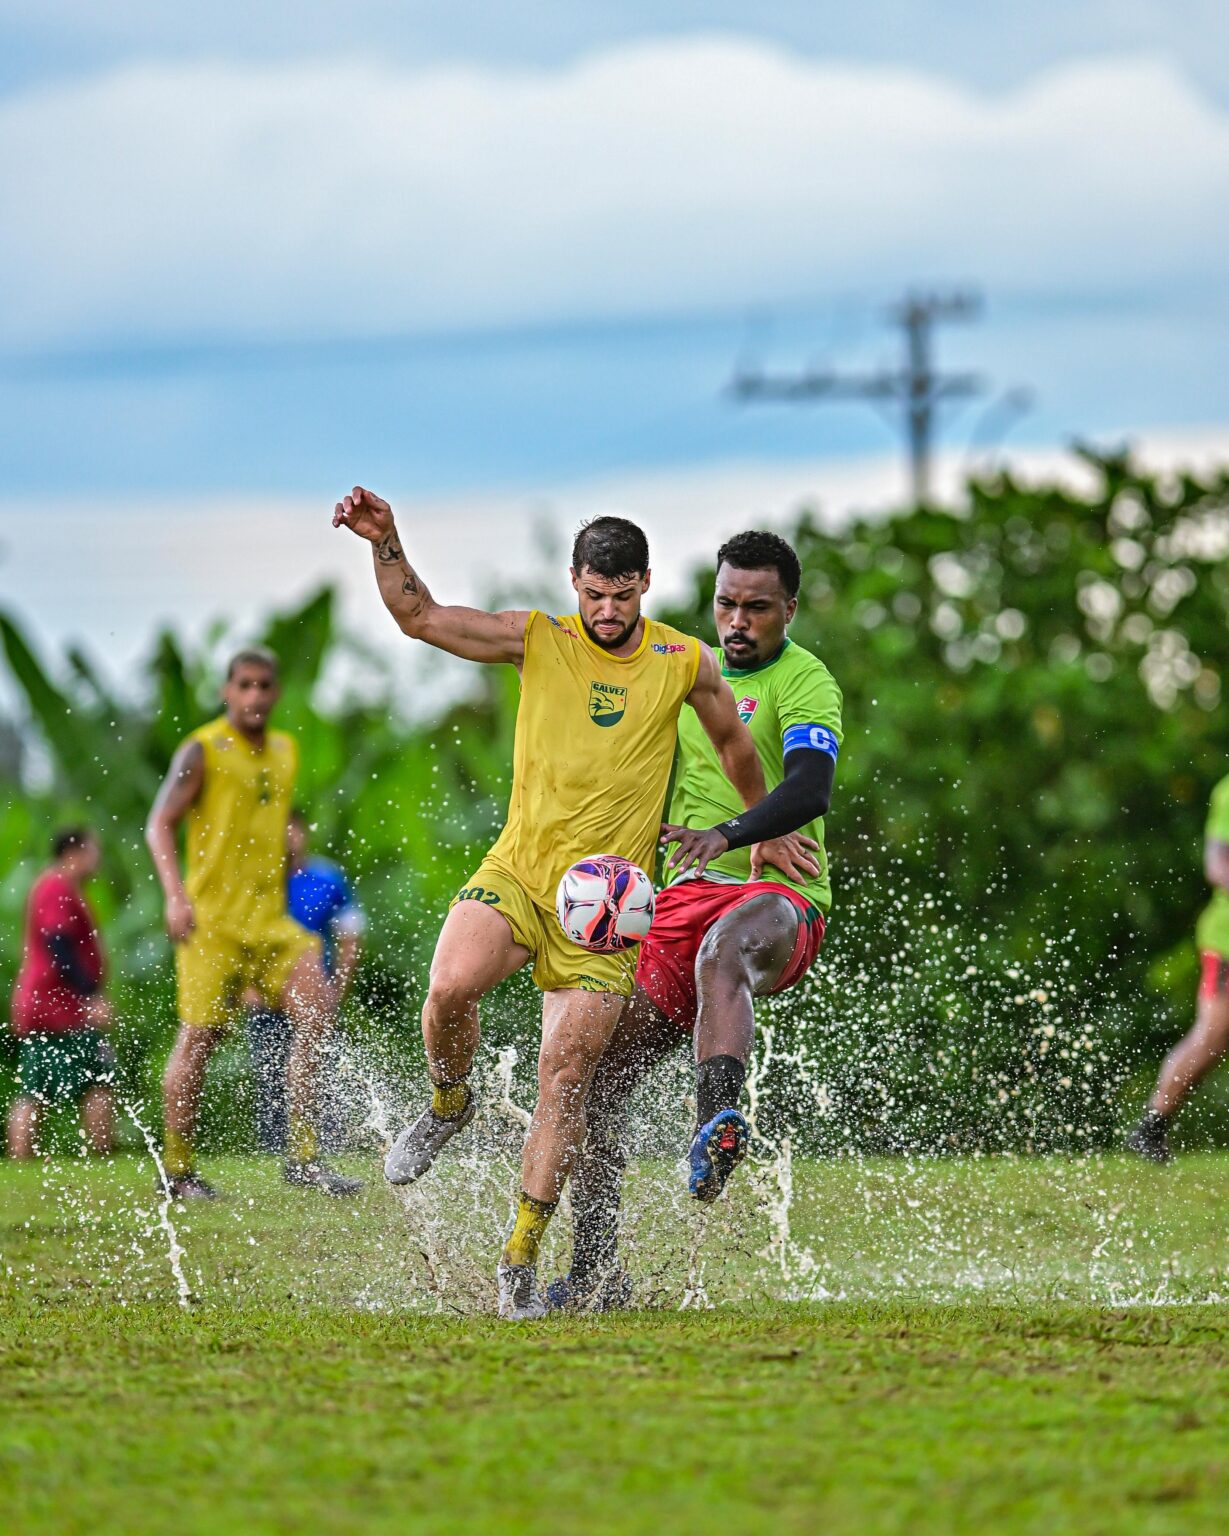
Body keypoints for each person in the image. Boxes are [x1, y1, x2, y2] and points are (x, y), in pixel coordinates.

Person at [334, 486, 773, 1319]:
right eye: (593, 595)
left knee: (562, 1083)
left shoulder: (683, 661)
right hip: (523, 876)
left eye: (623, 595)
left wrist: (762, 831)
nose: (607, 611)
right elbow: (419, 617)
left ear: (645, 584)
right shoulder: (537, 638)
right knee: (448, 991)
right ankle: (448, 1103)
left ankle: (517, 1271)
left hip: (609, 915)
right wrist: (384, 539)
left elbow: (731, 741)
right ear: (574, 583)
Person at [549, 530, 842, 1310]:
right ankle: (593, 1274)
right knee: (600, 1075)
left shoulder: (805, 680)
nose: (736, 621)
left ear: (789, 609)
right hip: (680, 895)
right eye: (724, 604)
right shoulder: (684, 669)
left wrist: (732, 836)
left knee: (724, 955)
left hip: (777, 896)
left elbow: (810, 789)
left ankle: (717, 1123)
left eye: (755, 607)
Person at [146, 648, 360, 1199]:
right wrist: (175, 896)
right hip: (211, 925)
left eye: (265, 686)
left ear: (277, 692)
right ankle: (178, 1170)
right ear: (227, 690)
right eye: (244, 686)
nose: (255, 697)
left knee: (316, 1012)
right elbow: (159, 825)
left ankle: (305, 1156)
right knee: (200, 1039)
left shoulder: (286, 751)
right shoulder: (203, 748)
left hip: (272, 925)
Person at [246, 809, 366, 1153]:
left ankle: (323, 1144)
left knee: (318, 1069)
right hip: (265, 995)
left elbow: (350, 937)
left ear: (303, 833)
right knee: (270, 1075)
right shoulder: (257, 881)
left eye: (293, 830)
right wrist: (246, 989)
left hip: (314, 991)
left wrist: (337, 988)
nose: (287, 837)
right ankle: (274, 1149)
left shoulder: (327, 878)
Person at [1128, 775, 1229, 1163]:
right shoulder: (1227, 792)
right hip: (1226, 941)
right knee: (1212, 1037)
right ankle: (1151, 1126)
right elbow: (1218, 866)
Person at [8, 828, 115, 1159]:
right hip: (59, 1006)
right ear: (73, 853)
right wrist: (88, 995)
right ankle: (100, 1155)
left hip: (47, 1004)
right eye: (93, 851)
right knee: (97, 1082)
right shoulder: (56, 887)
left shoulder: (56, 886)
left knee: (36, 1088)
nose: (98, 859)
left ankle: (21, 1159)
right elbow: (58, 944)